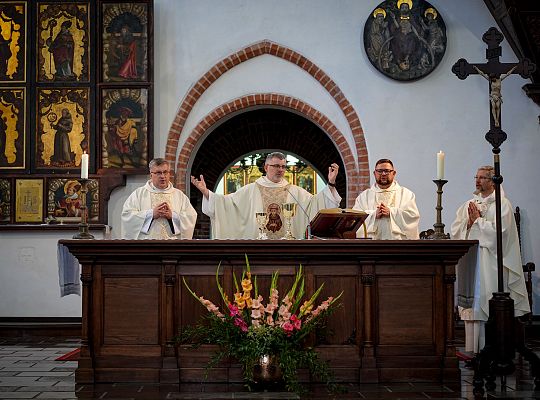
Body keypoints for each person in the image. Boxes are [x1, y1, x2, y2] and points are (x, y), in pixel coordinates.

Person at [451, 165, 529, 354]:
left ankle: (491, 350)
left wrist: (477, 221)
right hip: (472, 260)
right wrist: (469, 224)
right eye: (476, 177)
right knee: (472, 304)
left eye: (483, 178)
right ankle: (471, 350)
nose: (477, 181)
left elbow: (500, 235)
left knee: (486, 300)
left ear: (493, 181)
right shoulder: (469, 204)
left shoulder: (503, 205)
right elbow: (456, 231)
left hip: (491, 262)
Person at [191, 152, 341, 239]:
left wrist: (331, 183)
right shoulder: (250, 190)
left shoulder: (294, 192)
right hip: (258, 252)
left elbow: (316, 204)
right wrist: (205, 191)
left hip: (288, 253)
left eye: (283, 166)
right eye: (276, 166)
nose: (280, 170)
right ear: (266, 167)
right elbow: (226, 204)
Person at [121, 158, 197, 239]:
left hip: (173, 246)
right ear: (151, 175)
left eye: (165, 172)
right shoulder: (138, 194)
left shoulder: (179, 195)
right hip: (147, 246)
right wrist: (151, 214)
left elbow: (191, 217)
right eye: (158, 173)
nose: (162, 176)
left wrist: (172, 216)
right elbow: (127, 216)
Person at [353, 158, 419, 239]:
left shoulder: (406, 194)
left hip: (398, 245)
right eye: (380, 171)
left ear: (394, 173)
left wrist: (391, 212)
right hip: (371, 246)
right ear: (374, 173)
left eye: (387, 171)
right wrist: (374, 215)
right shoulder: (363, 197)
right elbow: (354, 219)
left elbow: (413, 217)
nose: (383, 174)